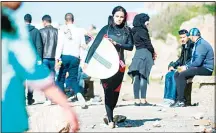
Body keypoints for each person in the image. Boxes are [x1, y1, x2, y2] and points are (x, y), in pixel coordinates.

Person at [1, 2, 78, 132]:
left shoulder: (12, 24)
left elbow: (35, 72)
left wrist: (66, 107)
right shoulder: (17, 27)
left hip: (11, 116)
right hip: (49, 60)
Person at [83, 6, 134, 128]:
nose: (119, 19)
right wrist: (86, 62)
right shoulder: (106, 30)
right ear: (113, 16)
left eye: (122, 17)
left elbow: (131, 46)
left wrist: (118, 44)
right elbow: (94, 45)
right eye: (117, 16)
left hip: (120, 66)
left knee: (115, 93)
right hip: (104, 66)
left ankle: (110, 112)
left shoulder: (127, 31)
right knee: (107, 91)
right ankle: (111, 119)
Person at [172, 28, 214, 107]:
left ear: (194, 36)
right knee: (177, 73)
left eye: (190, 36)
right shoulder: (198, 43)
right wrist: (184, 66)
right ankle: (179, 99)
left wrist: (187, 67)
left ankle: (181, 101)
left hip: (206, 69)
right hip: (200, 67)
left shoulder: (201, 44)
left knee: (182, 75)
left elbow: (198, 62)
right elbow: (193, 60)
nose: (189, 38)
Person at [55, 13, 88, 109]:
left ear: (65, 20)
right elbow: (83, 46)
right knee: (73, 79)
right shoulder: (80, 31)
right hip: (75, 58)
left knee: (60, 79)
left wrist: (57, 58)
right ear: (73, 20)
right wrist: (82, 59)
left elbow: (59, 45)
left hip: (64, 57)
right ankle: (79, 95)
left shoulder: (62, 30)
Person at [127, 13, 156, 106]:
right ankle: (143, 100)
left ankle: (136, 100)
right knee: (144, 76)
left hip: (137, 53)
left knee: (136, 77)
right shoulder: (143, 31)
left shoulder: (133, 30)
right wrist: (153, 52)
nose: (148, 24)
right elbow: (148, 43)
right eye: (147, 22)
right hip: (145, 53)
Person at [161, 29, 194, 107]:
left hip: (190, 68)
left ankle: (173, 98)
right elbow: (181, 59)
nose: (182, 39)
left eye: (184, 37)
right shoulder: (184, 46)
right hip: (183, 68)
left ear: (188, 37)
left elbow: (192, 60)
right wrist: (172, 65)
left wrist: (183, 67)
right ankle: (167, 99)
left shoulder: (191, 46)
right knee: (168, 74)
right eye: (181, 37)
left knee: (174, 75)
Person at [24, 13, 43, 105]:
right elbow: (39, 46)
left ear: (24, 21)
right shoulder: (36, 31)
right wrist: (39, 59)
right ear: (30, 20)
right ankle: (30, 98)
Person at [39, 14, 58, 105]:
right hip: (54, 58)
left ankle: (48, 98)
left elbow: (40, 46)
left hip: (44, 58)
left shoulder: (41, 31)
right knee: (52, 78)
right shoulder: (57, 31)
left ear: (44, 21)